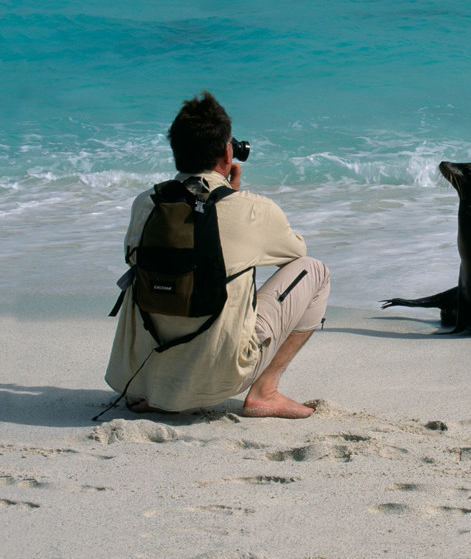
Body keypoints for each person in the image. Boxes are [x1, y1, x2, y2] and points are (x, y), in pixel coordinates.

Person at [105, 91, 329, 419]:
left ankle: (163, 389)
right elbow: (295, 252)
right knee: (315, 271)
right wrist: (233, 197)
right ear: (228, 151)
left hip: (141, 378)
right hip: (219, 375)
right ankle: (265, 391)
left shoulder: (145, 204)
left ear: (176, 152)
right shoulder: (252, 208)